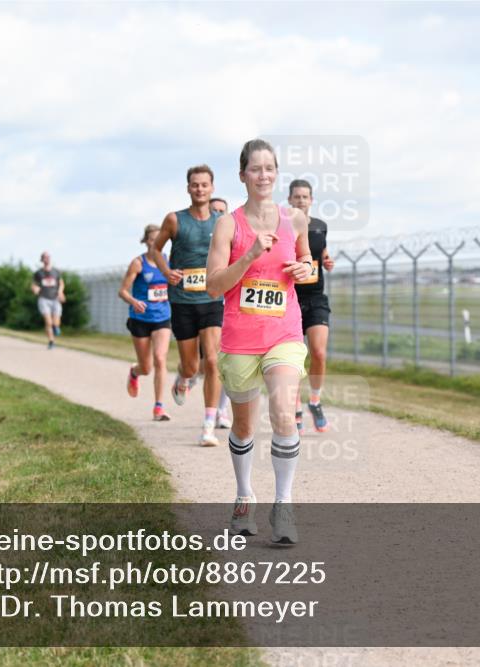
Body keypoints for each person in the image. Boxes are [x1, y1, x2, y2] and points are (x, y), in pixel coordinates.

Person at [206, 138, 313, 544]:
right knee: (244, 425)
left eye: (270, 168)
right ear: (242, 175)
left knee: (285, 411)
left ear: (276, 173)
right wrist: (249, 255)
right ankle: (243, 496)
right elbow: (214, 286)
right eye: (256, 169)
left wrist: (305, 269)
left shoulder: (295, 220)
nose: (263, 175)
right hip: (240, 338)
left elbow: (307, 264)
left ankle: (283, 507)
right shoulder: (229, 224)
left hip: (284, 333)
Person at [150, 165, 224, 447]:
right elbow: (156, 249)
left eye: (204, 185)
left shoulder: (221, 221)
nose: (200, 189)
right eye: (195, 185)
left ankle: (208, 424)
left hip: (212, 299)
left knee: (213, 361)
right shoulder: (174, 220)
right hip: (182, 300)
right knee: (192, 366)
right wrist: (167, 271)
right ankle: (183, 377)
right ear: (188, 188)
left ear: (212, 188)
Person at [288, 179, 335, 432]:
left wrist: (327, 261)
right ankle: (295, 407)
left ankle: (314, 401)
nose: (301, 201)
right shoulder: (284, 225)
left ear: (311, 200)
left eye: (305, 197)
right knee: (295, 358)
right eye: (297, 197)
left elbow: (322, 253)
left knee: (318, 352)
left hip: (316, 298)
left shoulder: (320, 226)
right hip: (290, 299)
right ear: (289, 200)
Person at [119, 225, 173, 421]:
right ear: (147, 241)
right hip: (140, 319)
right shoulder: (138, 263)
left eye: (161, 238)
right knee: (146, 367)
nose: (157, 242)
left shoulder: (168, 261)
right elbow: (123, 291)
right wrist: (134, 301)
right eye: (153, 239)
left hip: (162, 318)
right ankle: (135, 371)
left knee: (160, 358)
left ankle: (159, 407)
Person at [31, 252, 66, 350]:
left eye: (48, 257)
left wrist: (60, 292)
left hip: (55, 299)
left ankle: (56, 328)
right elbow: (34, 285)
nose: (47, 259)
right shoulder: (38, 273)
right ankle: (51, 341)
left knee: (56, 322)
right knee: (48, 322)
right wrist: (35, 289)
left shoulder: (56, 272)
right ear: (42, 260)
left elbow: (61, 284)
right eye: (45, 257)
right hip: (44, 299)